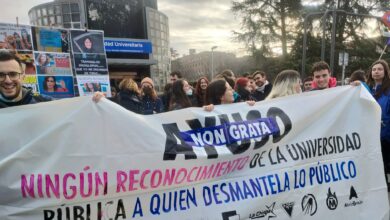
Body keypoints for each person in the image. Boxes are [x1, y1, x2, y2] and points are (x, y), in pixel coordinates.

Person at [366, 60, 390, 181]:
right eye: (374, 69)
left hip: (386, 136)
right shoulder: (367, 90)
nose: (376, 72)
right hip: (372, 137)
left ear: (385, 72)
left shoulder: (388, 91)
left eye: (380, 69)